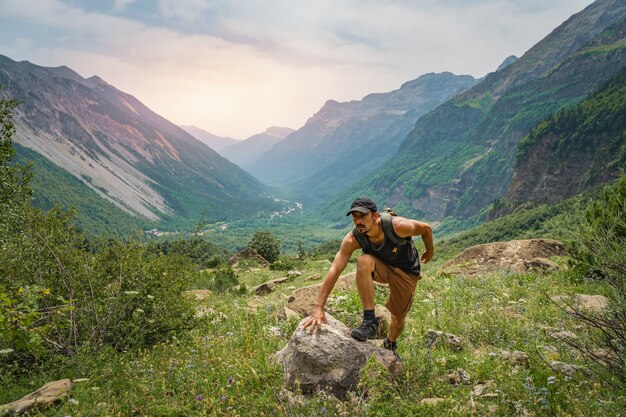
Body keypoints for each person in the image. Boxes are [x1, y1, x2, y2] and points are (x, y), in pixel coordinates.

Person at [302, 197, 434, 355]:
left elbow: (426, 229)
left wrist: (429, 250)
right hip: (381, 267)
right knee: (363, 261)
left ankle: (390, 343)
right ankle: (370, 321)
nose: (358, 221)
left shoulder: (397, 226)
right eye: (355, 216)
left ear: (375, 216)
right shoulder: (353, 239)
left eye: (363, 215)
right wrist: (318, 308)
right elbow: (335, 269)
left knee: (398, 319)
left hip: (406, 272)